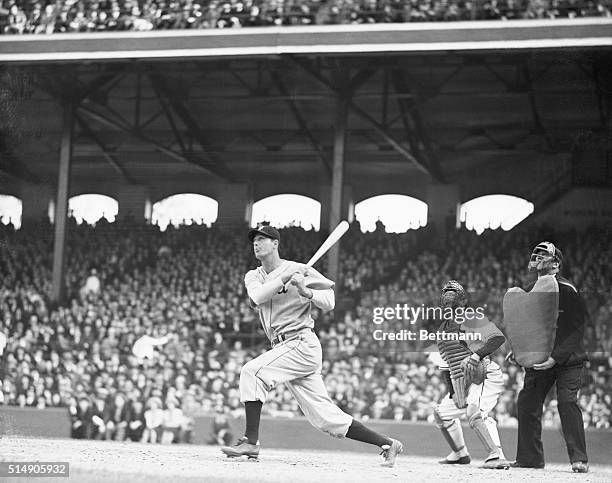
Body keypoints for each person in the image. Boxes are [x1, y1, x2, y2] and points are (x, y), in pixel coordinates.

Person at [221, 225, 403, 467]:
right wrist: (284, 279)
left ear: (275, 244)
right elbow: (257, 297)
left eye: (263, 239)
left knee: (252, 372)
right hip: (283, 347)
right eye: (254, 240)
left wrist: (307, 291)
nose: (256, 243)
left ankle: (250, 442)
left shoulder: (299, 269)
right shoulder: (253, 276)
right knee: (325, 418)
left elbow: (329, 301)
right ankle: (388, 443)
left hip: (300, 342)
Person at [509, 242, 589, 473]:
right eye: (536, 254)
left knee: (567, 402)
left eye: (544, 255)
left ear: (556, 263)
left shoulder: (567, 290)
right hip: (539, 357)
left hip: (568, 360)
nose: (538, 257)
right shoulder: (530, 289)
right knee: (527, 402)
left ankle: (579, 458)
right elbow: (527, 328)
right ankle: (529, 458)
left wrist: (556, 357)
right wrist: (520, 350)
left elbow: (577, 328)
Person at [433, 280, 509, 469]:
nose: (448, 297)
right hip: (462, 380)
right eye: (446, 294)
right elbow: (445, 365)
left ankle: (496, 455)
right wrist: (454, 393)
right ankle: (460, 454)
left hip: (484, 375)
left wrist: (476, 355)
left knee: (475, 413)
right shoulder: (442, 330)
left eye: (453, 294)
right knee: (441, 413)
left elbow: (498, 338)